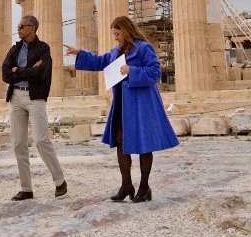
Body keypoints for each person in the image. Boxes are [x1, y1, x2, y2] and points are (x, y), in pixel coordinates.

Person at [64, 15, 178, 203]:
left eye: (117, 34)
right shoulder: (116, 52)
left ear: (126, 31)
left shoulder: (144, 48)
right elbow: (101, 62)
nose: (115, 37)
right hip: (122, 104)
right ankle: (126, 185)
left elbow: (155, 72)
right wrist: (80, 53)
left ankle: (144, 186)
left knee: (144, 144)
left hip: (141, 104)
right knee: (120, 141)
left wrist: (132, 71)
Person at [2, 15, 67, 201]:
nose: (18, 28)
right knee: (18, 143)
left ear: (32, 28)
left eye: (22, 26)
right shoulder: (14, 49)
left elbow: (41, 73)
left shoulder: (43, 48)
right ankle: (26, 188)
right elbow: (5, 74)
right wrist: (24, 71)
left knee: (40, 140)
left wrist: (18, 70)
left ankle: (60, 181)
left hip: (35, 96)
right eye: (18, 25)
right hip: (15, 96)